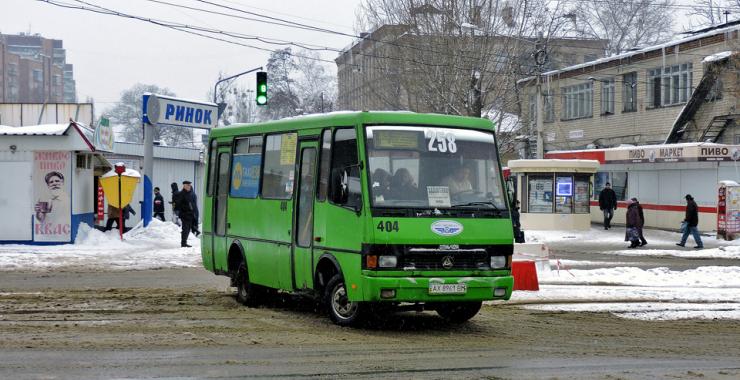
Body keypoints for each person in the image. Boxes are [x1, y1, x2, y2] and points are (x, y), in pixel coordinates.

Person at [174, 180, 197, 247]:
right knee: (185, 229)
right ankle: (183, 243)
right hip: (185, 214)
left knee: (188, 229)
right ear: (184, 186)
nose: (189, 186)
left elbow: (193, 204)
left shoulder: (190, 193)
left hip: (190, 214)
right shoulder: (181, 194)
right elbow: (178, 204)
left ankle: (184, 242)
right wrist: (186, 208)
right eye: (188, 185)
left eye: (189, 185)